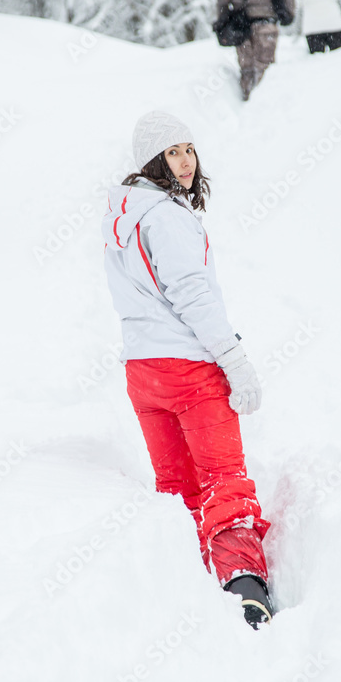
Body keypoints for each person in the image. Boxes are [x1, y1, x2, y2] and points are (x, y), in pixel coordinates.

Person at [101, 110, 272, 628]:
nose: (185, 162)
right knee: (224, 479)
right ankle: (244, 587)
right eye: (172, 152)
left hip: (143, 371)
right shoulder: (168, 217)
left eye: (189, 149)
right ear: (151, 161)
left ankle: (188, 581)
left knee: (177, 486)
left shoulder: (122, 217)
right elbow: (193, 295)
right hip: (189, 367)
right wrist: (235, 362)